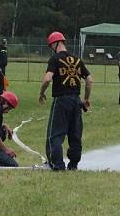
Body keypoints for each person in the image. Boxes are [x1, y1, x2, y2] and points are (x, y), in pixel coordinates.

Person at [39, 31, 93, 171]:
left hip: (61, 101)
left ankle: (58, 165)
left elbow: (47, 79)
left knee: (55, 134)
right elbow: (89, 80)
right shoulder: (77, 59)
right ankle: (73, 165)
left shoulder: (55, 59)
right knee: (75, 135)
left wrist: (42, 93)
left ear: (54, 44)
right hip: (76, 101)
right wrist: (86, 99)